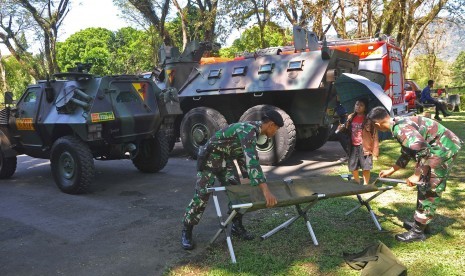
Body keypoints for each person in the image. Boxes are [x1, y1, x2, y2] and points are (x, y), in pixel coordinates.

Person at [181, 110, 282, 250]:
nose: (275, 132)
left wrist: (248, 179)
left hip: (225, 159)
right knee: (202, 195)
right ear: (270, 125)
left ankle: (236, 226)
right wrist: (266, 191)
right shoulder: (249, 130)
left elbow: (243, 156)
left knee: (238, 192)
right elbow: (251, 161)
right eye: (276, 129)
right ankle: (187, 230)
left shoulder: (254, 131)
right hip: (210, 158)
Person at [367, 106, 462, 242]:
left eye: (373, 127)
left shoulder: (402, 130)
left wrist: (417, 174)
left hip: (442, 149)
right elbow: (408, 151)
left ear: (377, 124)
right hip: (436, 149)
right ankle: (422, 224)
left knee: (429, 187)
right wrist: (392, 170)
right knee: (424, 184)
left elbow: (424, 152)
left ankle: (418, 232)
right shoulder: (397, 124)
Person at [339, 98, 379, 185]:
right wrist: (342, 128)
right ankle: (357, 181)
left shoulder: (369, 119)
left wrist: (375, 152)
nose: (358, 107)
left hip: (364, 146)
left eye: (361, 105)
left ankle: (365, 184)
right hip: (353, 145)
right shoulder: (351, 117)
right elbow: (347, 130)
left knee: (366, 166)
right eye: (357, 104)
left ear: (365, 107)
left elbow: (375, 135)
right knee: (353, 165)